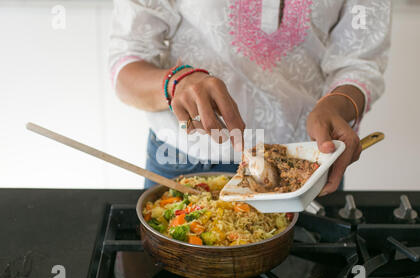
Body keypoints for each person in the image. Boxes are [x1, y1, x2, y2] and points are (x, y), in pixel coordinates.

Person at [109, 0, 391, 195]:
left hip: (306, 165)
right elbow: (127, 64)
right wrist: (176, 83)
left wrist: (339, 102)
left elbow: (360, 63)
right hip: (185, 160)